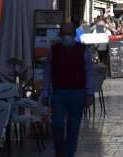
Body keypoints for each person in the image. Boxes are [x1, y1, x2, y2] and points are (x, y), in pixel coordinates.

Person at [42, 22, 95, 157]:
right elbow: (48, 73)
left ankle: (68, 154)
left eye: (69, 34)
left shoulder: (83, 50)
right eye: (64, 34)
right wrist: (46, 93)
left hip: (77, 93)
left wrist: (89, 93)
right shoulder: (54, 50)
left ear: (74, 35)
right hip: (59, 93)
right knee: (57, 124)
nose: (66, 37)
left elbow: (89, 72)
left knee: (73, 127)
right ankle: (60, 149)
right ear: (60, 35)